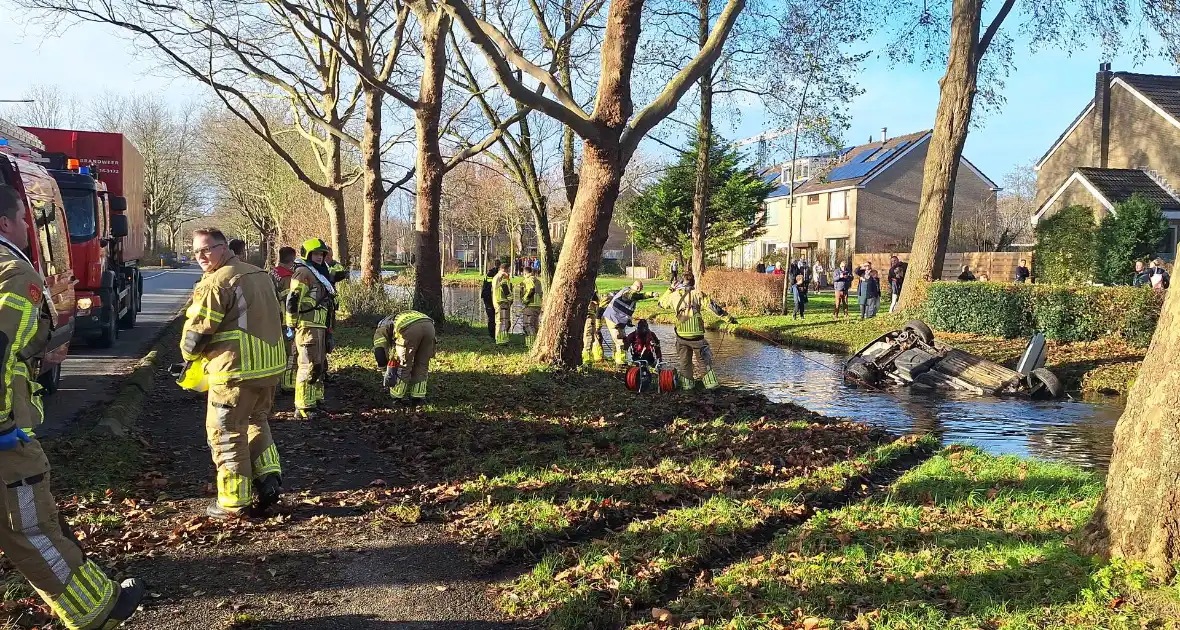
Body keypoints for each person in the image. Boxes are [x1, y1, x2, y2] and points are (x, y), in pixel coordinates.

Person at [0, 185, 144, 629]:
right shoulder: (11, 272)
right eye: (26, 218)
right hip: (5, 440)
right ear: (4, 222)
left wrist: (42, 351)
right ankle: (95, 611)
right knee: (31, 528)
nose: (30, 227)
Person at [177, 227, 286, 519]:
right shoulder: (260, 274)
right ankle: (269, 480)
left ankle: (232, 502)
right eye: (196, 251)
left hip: (235, 372)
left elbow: (198, 332)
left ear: (224, 248)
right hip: (269, 367)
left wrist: (187, 358)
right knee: (256, 422)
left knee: (226, 433)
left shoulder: (217, 282)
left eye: (207, 249)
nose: (201, 256)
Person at [657, 272, 736, 391]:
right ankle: (711, 386)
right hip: (697, 336)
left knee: (685, 364)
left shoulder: (673, 295)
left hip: (681, 336)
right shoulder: (698, 294)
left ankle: (688, 387)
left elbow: (660, 304)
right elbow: (714, 308)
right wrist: (728, 318)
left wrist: (670, 289)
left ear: (681, 283)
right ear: (693, 282)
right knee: (704, 362)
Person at [286, 238, 337, 419]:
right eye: (315, 253)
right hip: (307, 327)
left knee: (319, 366)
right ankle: (303, 407)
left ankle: (315, 400)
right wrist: (291, 324)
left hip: (320, 326)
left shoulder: (320, 273)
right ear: (307, 254)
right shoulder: (303, 272)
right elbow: (293, 299)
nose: (319, 257)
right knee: (308, 366)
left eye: (321, 254)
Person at [373, 310, 436, 404]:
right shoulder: (400, 316)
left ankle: (397, 397)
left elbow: (379, 351)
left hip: (409, 328)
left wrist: (384, 371)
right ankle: (418, 396)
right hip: (429, 326)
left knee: (403, 364)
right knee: (422, 364)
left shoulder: (382, 326)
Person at [603, 280, 660, 365]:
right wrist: (651, 294)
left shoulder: (631, 297)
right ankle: (621, 364)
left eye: (640, 289)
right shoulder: (627, 292)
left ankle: (616, 359)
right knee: (620, 342)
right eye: (638, 288)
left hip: (618, 321)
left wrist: (628, 321)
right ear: (635, 286)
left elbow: (627, 310)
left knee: (619, 340)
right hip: (613, 318)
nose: (639, 290)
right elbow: (634, 296)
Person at [271, 247, 298, 393]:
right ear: (293, 258)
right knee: (290, 353)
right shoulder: (288, 277)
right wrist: (292, 324)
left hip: (272, 319)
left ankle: (276, 381)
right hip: (285, 321)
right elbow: (290, 302)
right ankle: (287, 383)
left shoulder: (273, 273)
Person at [518, 266, 543, 346]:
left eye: (523, 274)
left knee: (527, 325)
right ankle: (537, 343)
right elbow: (540, 293)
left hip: (530, 305)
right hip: (538, 306)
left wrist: (525, 300)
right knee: (535, 325)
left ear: (525, 273)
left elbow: (531, 290)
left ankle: (531, 344)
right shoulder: (538, 281)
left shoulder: (528, 280)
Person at [491, 263, 513, 344]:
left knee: (499, 321)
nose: (509, 272)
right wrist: (510, 298)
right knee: (504, 322)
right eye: (509, 270)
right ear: (506, 269)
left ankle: (500, 339)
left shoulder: (496, 277)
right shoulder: (503, 276)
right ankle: (501, 341)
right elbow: (505, 287)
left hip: (497, 301)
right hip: (503, 301)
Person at [583, 291, 605, 363]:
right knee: (589, 338)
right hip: (590, 319)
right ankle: (587, 359)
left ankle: (590, 358)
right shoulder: (592, 301)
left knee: (592, 338)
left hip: (590, 319)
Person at [480, 265, 497, 340]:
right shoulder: (494, 277)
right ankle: (493, 335)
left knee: (491, 318)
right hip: (490, 298)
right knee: (493, 318)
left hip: (487, 298)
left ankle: (492, 334)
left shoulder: (488, 276)